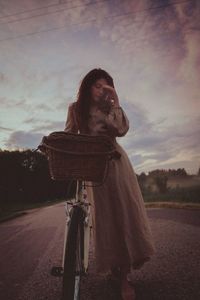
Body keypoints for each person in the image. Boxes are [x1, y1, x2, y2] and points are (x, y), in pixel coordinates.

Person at [64, 68, 155, 300]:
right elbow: (68, 136)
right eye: (98, 86)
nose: (102, 91)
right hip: (93, 169)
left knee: (125, 216)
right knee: (106, 221)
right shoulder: (76, 109)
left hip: (117, 165)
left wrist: (115, 100)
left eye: (107, 87)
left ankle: (124, 278)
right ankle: (115, 269)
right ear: (87, 87)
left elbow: (122, 130)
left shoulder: (110, 109)